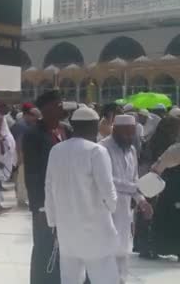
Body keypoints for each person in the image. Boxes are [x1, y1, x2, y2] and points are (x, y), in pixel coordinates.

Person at [45, 106, 119, 284]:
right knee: (105, 278)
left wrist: (53, 222)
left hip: (67, 232)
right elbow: (108, 191)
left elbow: (49, 188)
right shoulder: (96, 151)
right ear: (94, 126)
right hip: (95, 232)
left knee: (70, 279)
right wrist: (113, 206)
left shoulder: (56, 150)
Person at [100, 115, 153, 283]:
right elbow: (106, 180)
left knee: (123, 250)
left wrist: (142, 200)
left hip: (124, 211)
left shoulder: (131, 149)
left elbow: (134, 179)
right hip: (105, 208)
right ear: (116, 130)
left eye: (132, 133)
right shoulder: (102, 149)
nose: (130, 137)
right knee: (106, 251)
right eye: (127, 133)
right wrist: (134, 188)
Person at [24, 90, 69, 284]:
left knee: (66, 246)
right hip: (45, 202)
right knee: (44, 245)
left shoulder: (67, 130)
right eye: (58, 105)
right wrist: (39, 206)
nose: (62, 108)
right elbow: (32, 174)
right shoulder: (33, 134)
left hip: (68, 199)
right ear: (46, 109)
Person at [147, 118, 180, 260]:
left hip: (172, 187)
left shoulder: (175, 149)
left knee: (166, 216)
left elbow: (157, 167)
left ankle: (159, 247)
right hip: (173, 187)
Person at [11, 105, 40, 207]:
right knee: (22, 179)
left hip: (27, 155)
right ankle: (21, 200)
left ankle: (22, 199)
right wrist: (20, 157)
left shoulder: (25, 124)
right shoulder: (22, 126)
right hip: (23, 156)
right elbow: (19, 142)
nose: (36, 119)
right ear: (28, 115)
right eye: (35, 117)